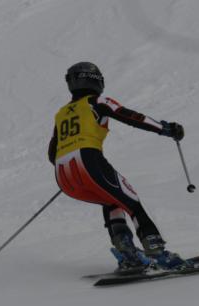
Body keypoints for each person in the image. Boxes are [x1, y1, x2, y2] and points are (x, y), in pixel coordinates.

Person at [48, 62, 190, 270]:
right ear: (96, 80)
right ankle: (158, 253)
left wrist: (73, 167)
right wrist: (165, 128)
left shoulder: (61, 114)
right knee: (132, 203)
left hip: (63, 174)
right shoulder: (97, 101)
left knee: (112, 201)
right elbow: (132, 117)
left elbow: (52, 153)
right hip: (89, 162)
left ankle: (128, 254)